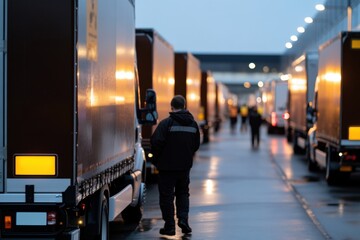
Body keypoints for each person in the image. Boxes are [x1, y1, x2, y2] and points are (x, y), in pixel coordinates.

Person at [151, 95, 200, 236]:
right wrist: (186, 155)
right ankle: (183, 220)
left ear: (172, 107)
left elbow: (156, 143)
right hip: (184, 167)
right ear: (185, 106)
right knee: (183, 193)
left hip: (166, 167)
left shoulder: (166, 124)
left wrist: (157, 159)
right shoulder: (193, 124)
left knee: (166, 196)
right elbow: (195, 145)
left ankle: (170, 226)